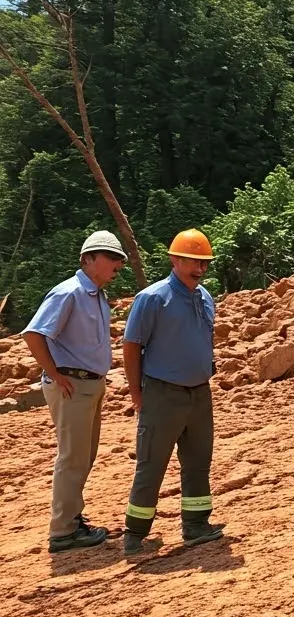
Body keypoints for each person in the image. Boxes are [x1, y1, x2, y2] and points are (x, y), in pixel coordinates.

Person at [22, 231, 127, 553]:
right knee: (72, 458)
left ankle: (72, 519)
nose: (117, 264)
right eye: (111, 258)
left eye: (119, 260)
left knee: (83, 457)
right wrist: (54, 374)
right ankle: (63, 531)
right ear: (88, 259)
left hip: (88, 384)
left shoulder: (94, 295)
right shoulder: (68, 292)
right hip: (72, 384)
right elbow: (33, 335)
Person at [121, 229, 222, 556]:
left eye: (203, 262)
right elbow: (132, 345)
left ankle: (195, 525)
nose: (199, 268)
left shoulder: (205, 297)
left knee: (198, 461)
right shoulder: (152, 298)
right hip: (163, 394)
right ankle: (135, 534)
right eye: (192, 261)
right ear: (175, 260)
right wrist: (137, 392)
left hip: (199, 394)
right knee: (152, 463)